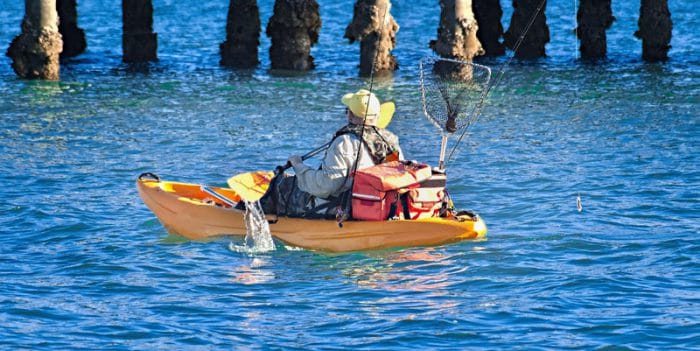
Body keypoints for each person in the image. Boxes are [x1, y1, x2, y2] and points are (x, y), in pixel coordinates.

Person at [259, 89, 403, 219]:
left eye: (347, 110)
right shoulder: (390, 140)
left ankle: (248, 217)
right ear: (377, 115)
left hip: (340, 208)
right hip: (381, 205)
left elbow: (327, 186)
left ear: (351, 114)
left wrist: (299, 167)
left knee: (280, 185)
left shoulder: (344, 142)